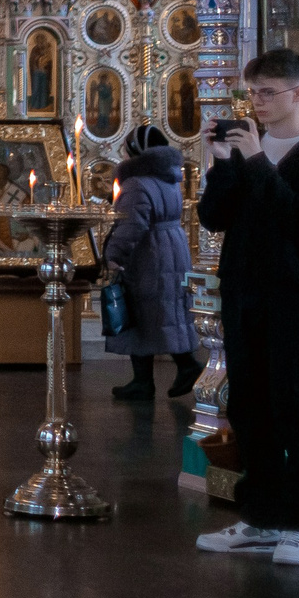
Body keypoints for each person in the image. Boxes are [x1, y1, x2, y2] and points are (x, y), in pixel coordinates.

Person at [195, 50, 299, 566]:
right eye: (252, 92)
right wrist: (221, 164)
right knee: (249, 409)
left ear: (298, 94)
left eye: (268, 92)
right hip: (241, 294)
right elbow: (214, 218)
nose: (257, 102)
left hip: (291, 297)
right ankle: (259, 517)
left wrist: (257, 160)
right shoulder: (243, 151)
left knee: (294, 409)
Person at [102, 125, 202, 401]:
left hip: (148, 254)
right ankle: (154, 377)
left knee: (139, 311)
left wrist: (114, 256)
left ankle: (172, 372)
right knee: (167, 312)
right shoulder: (169, 177)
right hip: (172, 248)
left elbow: (131, 224)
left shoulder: (136, 183)